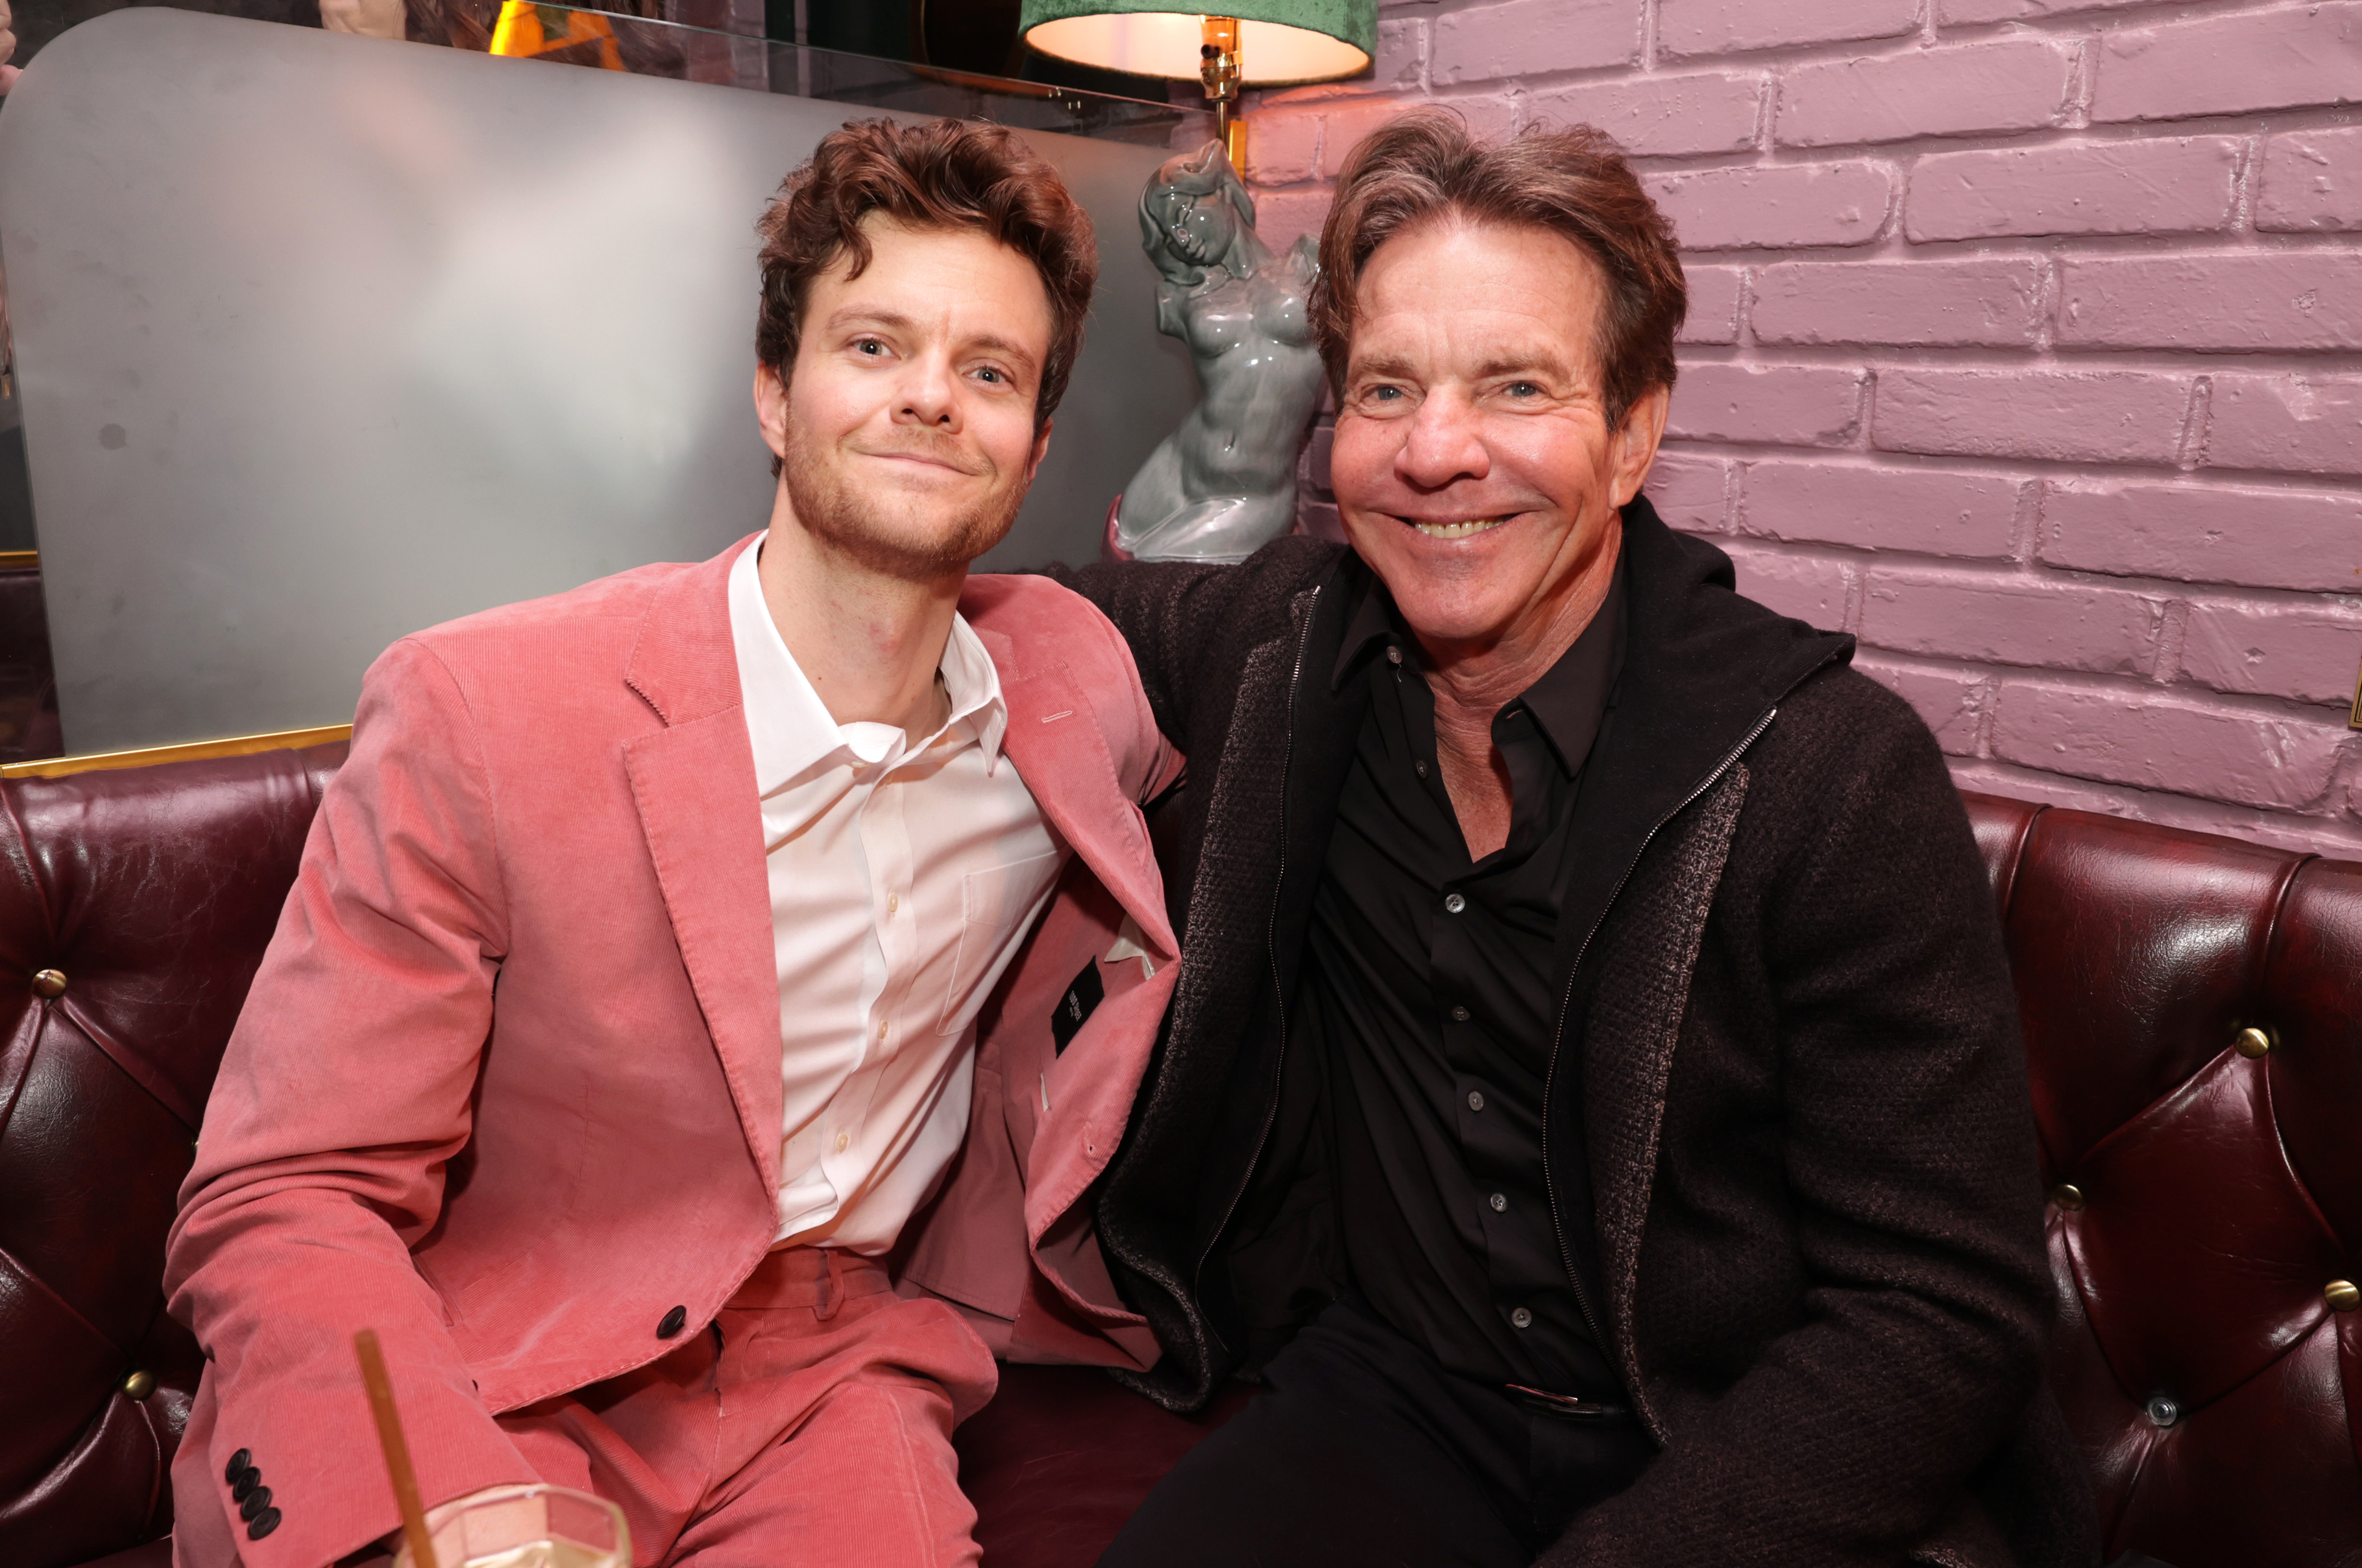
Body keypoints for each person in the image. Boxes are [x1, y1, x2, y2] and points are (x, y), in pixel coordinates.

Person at [1055, 110, 2095, 1568]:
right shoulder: (1283, 659)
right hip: (1397, 1395)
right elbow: (1010, 612)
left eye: (1513, 386)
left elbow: (1937, 1310)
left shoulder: (1827, 774)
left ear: (1630, 434)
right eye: (1384, 387)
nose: (1433, 451)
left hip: (1731, 1437)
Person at [165, 117, 1181, 1568]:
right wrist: (426, 1499)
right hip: (489, 1355)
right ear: (774, 392)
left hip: (831, 1369)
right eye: (874, 345)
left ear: (1029, 447)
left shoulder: (1073, 686)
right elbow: (287, 1189)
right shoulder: (485, 708)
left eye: (988, 371)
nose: (931, 402)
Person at [1111, 140, 1324, 564]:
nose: (1183, 238)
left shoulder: (1310, 263)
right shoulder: (1180, 299)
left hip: (1257, 492)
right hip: (1176, 469)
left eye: (1185, 215)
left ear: (1223, 190)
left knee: (1155, 573)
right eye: (1172, 232)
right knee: (1118, 549)